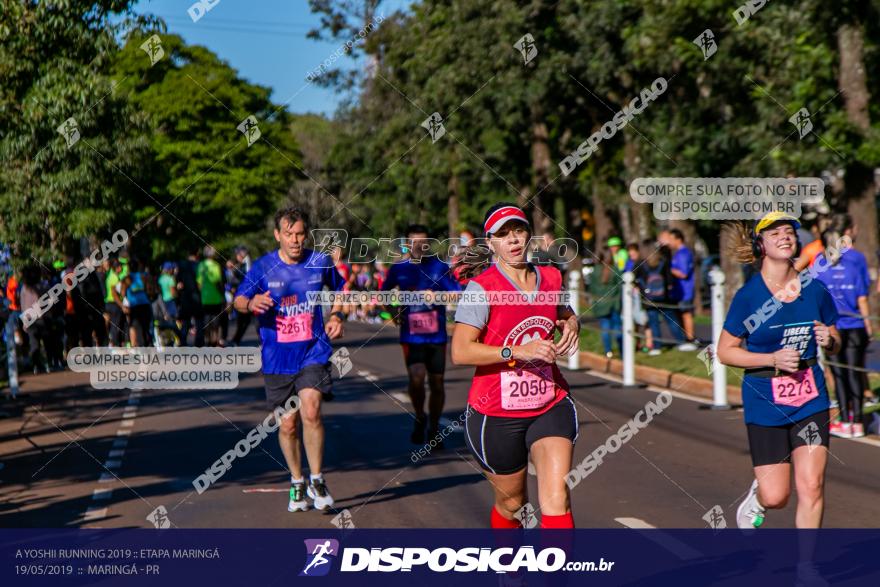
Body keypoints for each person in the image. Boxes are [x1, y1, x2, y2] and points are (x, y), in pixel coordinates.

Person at [451, 202, 580, 529]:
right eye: (503, 234)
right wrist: (516, 351)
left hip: (549, 402)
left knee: (556, 498)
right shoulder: (482, 289)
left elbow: (562, 310)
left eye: (519, 230)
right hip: (495, 411)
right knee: (512, 505)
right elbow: (461, 352)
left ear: (529, 234)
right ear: (490, 242)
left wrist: (572, 323)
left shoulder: (550, 277)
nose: (513, 240)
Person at [717, 211, 840, 530]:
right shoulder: (749, 297)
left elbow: (834, 333)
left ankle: (806, 571)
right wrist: (772, 359)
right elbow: (725, 351)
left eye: (789, 231)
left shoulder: (814, 289)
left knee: (812, 485)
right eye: (774, 234)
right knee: (776, 497)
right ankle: (759, 497)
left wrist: (831, 339)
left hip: (811, 398)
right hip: (765, 402)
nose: (785, 236)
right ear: (760, 246)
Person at [234, 207, 346, 513]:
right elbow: (239, 299)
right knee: (288, 425)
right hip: (277, 358)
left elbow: (341, 290)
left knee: (311, 410)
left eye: (300, 234)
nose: (295, 240)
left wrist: (336, 314)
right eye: (289, 234)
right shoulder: (262, 268)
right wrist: (251, 302)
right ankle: (297, 482)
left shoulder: (318, 262)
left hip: (313, 351)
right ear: (277, 235)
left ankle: (318, 479)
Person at [382, 224, 462, 446]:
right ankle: (420, 415)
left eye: (423, 243)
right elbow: (384, 292)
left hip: (436, 335)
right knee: (416, 379)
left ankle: (434, 429)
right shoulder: (400, 268)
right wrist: (392, 311)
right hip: (412, 335)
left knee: (437, 383)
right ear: (407, 245)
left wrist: (436, 296)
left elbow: (456, 293)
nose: (419, 247)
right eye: (414, 243)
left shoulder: (439, 267)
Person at [815, 219, 871, 438]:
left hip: (834, 327)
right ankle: (857, 421)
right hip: (854, 324)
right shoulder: (853, 265)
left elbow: (815, 297)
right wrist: (868, 325)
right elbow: (862, 297)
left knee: (839, 374)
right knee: (854, 372)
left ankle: (845, 420)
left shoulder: (820, 267)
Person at [660, 229, 698, 351]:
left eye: (671, 239)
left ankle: (690, 339)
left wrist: (668, 270)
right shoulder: (677, 253)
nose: (669, 242)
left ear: (678, 239)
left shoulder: (683, 254)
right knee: (680, 314)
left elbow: (683, 273)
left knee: (686, 314)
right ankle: (686, 337)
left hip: (685, 290)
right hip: (678, 290)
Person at [589, 249, 622, 359]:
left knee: (605, 328)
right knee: (617, 328)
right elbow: (620, 286)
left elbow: (592, 289)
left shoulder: (595, 271)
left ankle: (608, 351)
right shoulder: (615, 269)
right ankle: (622, 351)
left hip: (601, 305)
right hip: (614, 304)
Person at [120, 259, 154, 347]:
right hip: (145, 304)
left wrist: (126, 299)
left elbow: (122, 293)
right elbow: (150, 290)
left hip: (135, 306)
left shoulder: (127, 278)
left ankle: (143, 349)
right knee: (146, 328)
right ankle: (149, 347)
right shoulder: (143, 276)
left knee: (138, 328)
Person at [198, 246, 226, 347]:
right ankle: (214, 340)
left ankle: (208, 340)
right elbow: (217, 282)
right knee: (216, 320)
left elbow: (199, 283)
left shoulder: (201, 265)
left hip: (204, 297)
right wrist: (222, 295)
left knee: (206, 319)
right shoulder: (215, 265)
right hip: (215, 297)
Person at [177, 248, 204, 347]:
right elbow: (201, 283)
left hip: (185, 296)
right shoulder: (199, 265)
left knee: (185, 321)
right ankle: (199, 341)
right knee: (199, 320)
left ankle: (183, 341)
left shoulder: (181, 265)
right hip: (197, 295)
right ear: (197, 254)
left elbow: (179, 283)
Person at [104, 258, 128, 347]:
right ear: (117, 268)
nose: (121, 268)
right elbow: (115, 295)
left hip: (112, 304)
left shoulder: (112, 275)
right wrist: (122, 305)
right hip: (114, 304)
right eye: (120, 266)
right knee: (116, 326)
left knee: (119, 324)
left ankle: (118, 344)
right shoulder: (114, 278)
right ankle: (114, 345)